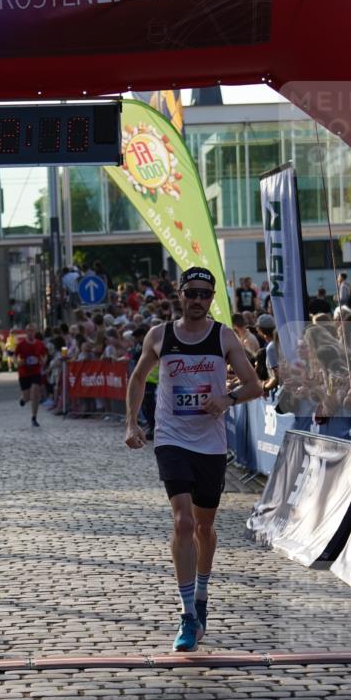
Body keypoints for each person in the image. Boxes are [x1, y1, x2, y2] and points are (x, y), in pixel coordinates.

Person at [125, 266, 263, 653]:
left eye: (205, 294)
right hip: (171, 440)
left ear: (211, 297)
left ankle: (201, 594)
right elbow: (138, 379)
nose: (198, 300)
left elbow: (254, 384)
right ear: (180, 294)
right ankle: (187, 615)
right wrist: (131, 423)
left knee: (204, 527)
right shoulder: (160, 336)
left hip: (211, 445)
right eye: (192, 294)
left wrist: (226, 400)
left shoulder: (223, 337)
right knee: (183, 522)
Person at [16, 324, 47, 427]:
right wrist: (17, 362)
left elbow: (45, 355)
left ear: (35, 332)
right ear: (26, 332)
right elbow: (14, 357)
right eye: (28, 331)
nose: (30, 333)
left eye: (32, 331)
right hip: (24, 373)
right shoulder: (21, 345)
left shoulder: (40, 344)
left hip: (35, 372)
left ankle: (34, 417)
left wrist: (43, 360)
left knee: (35, 391)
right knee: (27, 397)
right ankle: (23, 399)